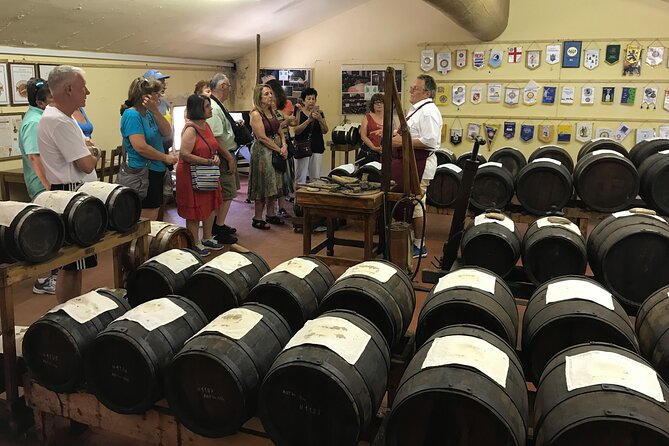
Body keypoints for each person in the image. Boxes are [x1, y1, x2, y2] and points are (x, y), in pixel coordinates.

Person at [37, 65, 101, 303]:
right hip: (71, 194)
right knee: (70, 265)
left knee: (76, 264)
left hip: (75, 193)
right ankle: (66, 313)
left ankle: (73, 310)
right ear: (68, 89)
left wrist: (89, 149)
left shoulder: (64, 118)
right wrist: (95, 153)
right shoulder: (59, 121)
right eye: (83, 87)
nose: (88, 92)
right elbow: (87, 164)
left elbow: (86, 145)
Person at [391, 74, 443, 259]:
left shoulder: (428, 112)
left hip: (420, 165)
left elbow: (430, 140)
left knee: (417, 204)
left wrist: (401, 141)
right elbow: (410, 132)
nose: (411, 91)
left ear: (427, 92)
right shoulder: (418, 110)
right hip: (410, 163)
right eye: (412, 87)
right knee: (410, 203)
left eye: (415, 88)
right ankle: (408, 240)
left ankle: (419, 245)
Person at [18, 78, 56, 295]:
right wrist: (50, 188)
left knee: (52, 230)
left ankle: (50, 275)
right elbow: (35, 157)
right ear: (41, 102)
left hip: (47, 183)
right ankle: (42, 280)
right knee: (46, 232)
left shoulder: (40, 116)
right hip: (42, 185)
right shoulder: (34, 122)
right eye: (51, 97)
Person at [120, 77, 178, 220]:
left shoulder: (149, 113)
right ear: (145, 97)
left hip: (156, 170)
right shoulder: (132, 115)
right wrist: (165, 157)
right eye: (156, 94)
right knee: (147, 218)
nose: (160, 97)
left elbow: (166, 132)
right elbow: (140, 147)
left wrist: (156, 111)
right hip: (143, 174)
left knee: (156, 212)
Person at [176, 94, 224, 257]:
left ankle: (207, 237)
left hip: (207, 171)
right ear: (198, 109)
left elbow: (211, 146)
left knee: (210, 203)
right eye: (207, 106)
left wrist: (214, 157)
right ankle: (195, 241)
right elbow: (184, 154)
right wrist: (207, 162)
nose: (210, 109)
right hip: (191, 174)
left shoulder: (206, 126)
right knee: (195, 208)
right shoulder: (190, 129)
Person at [248, 84, 287, 229]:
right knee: (262, 184)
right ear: (259, 97)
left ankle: (270, 214)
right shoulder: (256, 114)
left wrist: (284, 144)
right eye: (266, 94)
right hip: (262, 153)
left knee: (273, 184)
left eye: (270, 93)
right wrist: (278, 149)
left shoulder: (272, 110)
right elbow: (262, 137)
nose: (270, 96)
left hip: (275, 149)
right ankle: (257, 217)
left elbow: (279, 128)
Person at [206, 73, 239, 244]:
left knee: (227, 192)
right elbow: (217, 138)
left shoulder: (219, 106)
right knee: (227, 192)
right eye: (228, 86)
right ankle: (217, 227)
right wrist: (229, 158)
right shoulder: (215, 108)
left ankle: (220, 223)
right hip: (223, 155)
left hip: (227, 152)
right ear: (222, 87)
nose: (229, 90)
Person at [266, 78, 296, 218]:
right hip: (273, 148)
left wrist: (292, 119)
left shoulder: (278, 112)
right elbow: (275, 128)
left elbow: (291, 122)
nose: (271, 101)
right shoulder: (263, 115)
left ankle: (282, 207)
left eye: (272, 98)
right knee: (274, 180)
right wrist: (286, 122)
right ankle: (271, 210)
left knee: (284, 178)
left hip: (283, 147)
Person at [294, 87, 328, 184]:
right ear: (304, 100)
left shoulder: (319, 113)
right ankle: (299, 198)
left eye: (313, 99)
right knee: (300, 177)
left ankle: (313, 198)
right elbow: (296, 130)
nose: (311, 101)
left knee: (315, 178)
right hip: (302, 146)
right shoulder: (299, 112)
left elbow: (325, 130)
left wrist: (320, 119)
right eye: (308, 99)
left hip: (317, 146)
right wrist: (308, 120)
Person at [359, 93, 392, 165]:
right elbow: (363, 136)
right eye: (376, 102)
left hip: (386, 153)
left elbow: (394, 134)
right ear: (372, 105)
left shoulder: (389, 118)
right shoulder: (367, 117)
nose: (379, 104)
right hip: (370, 153)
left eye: (381, 102)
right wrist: (373, 147)